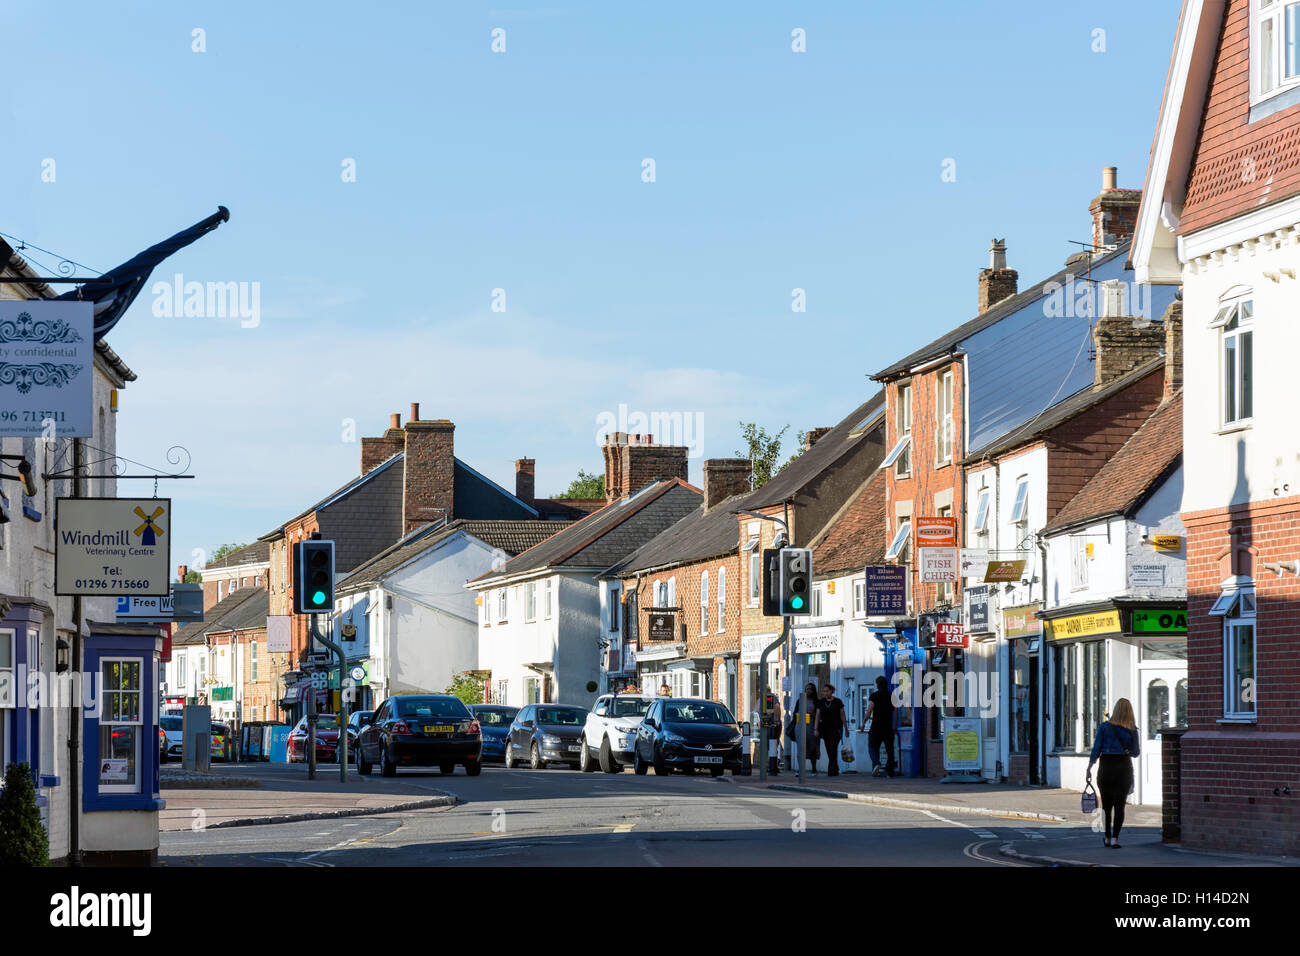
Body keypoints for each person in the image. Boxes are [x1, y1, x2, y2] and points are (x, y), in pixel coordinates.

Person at [1088, 698, 1140, 848]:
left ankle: (1107, 837)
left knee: (1106, 805)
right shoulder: (1132, 729)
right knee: (1119, 806)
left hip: (1106, 767)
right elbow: (1136, 753)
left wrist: (1089, 767)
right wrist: (1126, 749)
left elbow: (1096, 749)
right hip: (1123, 767)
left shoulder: (1104, 727)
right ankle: (1115, 839)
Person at [863, 675, 898, 777]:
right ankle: (890, 771)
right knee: (889, 750)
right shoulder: (892, 696)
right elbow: (895, 712)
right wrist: (894, 726)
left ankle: (876, 763)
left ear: (877, 685)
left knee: (872, 747)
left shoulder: (874, 696)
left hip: (876, 726)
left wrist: (863, 723)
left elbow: (869, 711)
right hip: (888, 727)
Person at [813, 683, 848, 777]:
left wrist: (846, 728)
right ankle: (835, 767)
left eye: (827, 691)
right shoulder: (821, 702)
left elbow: (842, 715)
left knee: (833, 747)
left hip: (836, 728)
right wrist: (815, 728)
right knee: (829, 748)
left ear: (832, 691)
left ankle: (831, 769)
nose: (825, 693)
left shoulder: (838, 702)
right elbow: (817, 715)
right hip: (824, 729)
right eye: (824, 691)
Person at [787, 682, 819, 775]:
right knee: (800, 747)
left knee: (812, 747)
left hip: (812, 726)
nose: (808, 691)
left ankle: (814, 769)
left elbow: (818, 714)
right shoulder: (800, 700)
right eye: (807, 689)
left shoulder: (816, 701)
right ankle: (800, 769)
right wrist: (799, 714)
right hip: (800, 726)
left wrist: (811, 714)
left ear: (813, 691)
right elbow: (795, 713)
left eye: (810, 689)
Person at [754, 685, 782, 775]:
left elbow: (776, 707)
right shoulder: (763, 699)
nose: (758, 692)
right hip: (767, 725)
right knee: (771, 745)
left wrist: (775, 721)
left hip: (770, 725)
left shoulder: (769, 697)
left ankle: (771, 766)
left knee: (771, 745)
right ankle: (771, 766)